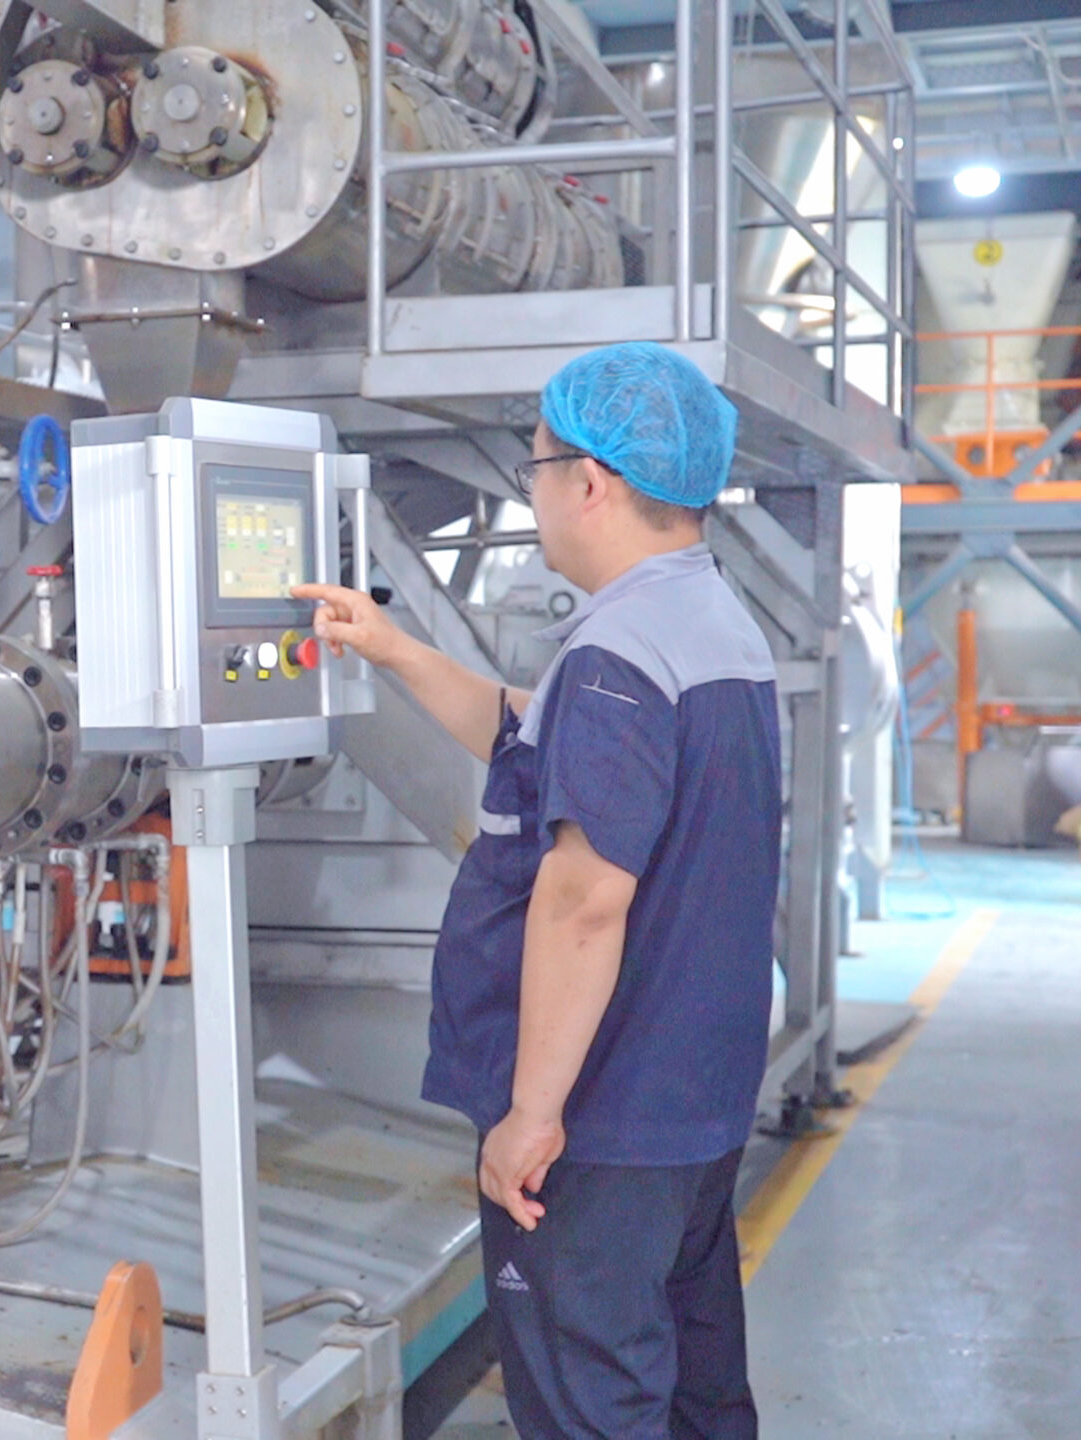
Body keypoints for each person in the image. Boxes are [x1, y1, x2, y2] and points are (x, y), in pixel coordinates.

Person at [293, 341, 779, 1439]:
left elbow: (582, 901)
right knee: (696, 1389)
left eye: (538, 468)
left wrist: (530, 1115)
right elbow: (536, 736)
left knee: (587, 1402)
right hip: (691, 1105)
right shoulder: (705, 624)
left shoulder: (616, 658)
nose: (536, 493)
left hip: (601, 1119)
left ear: (590, 482)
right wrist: (392, 650)